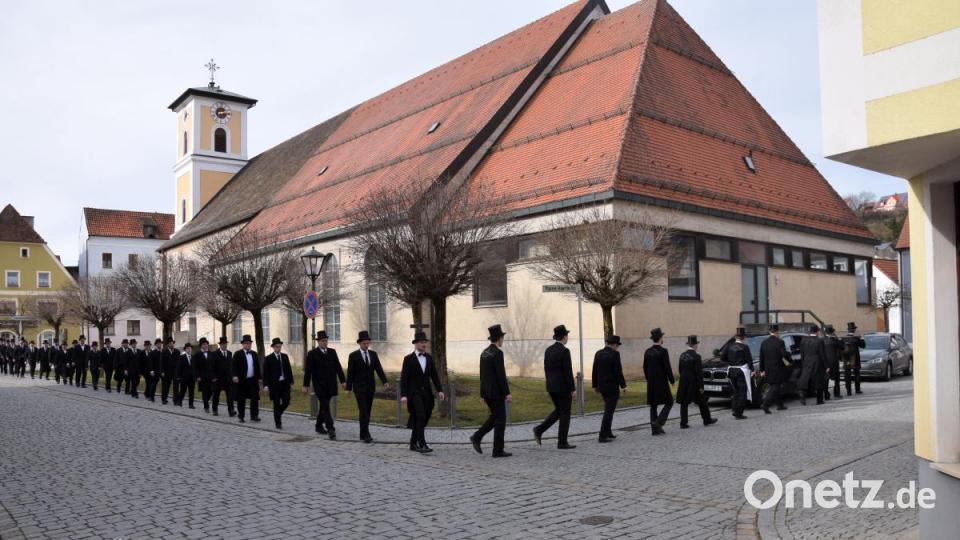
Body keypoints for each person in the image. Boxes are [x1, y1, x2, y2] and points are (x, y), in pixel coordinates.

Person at [400, 331, 445, 453]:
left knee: (423, 417)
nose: (424, 344)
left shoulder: (429, 358)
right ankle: (422, 444)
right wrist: (403, 395)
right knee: (420, 416)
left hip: (427, 394)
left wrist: (439, 390)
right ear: (415, 344)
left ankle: (413, 443)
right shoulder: (408, 359)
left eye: (425, 342)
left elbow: (434, 375)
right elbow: (404, 378)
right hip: (414, 393)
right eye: (421, 342)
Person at [533, 325, 576, 450]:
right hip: (563, 387)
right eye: (567, 336)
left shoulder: (548, 350)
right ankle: (562, 442)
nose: (567, 338)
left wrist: (549, 385)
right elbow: (567, 372)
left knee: (559, 411)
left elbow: (546, 369)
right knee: (565, 413)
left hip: (551, 386)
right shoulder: (565, 351)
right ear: (564, 337)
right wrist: (572, 389)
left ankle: (539, 430)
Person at [471, 324, 512, 458]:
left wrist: (482, 394)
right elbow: (501, 375)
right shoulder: (498, 353)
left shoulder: (484, 353)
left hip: (487, 392)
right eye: (502, 338)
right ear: (499, 338)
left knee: (495, 417)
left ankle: (477, 437)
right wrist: (507, 393)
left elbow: (482, 375)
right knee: (501, 420)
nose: (503, 340)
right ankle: (497, 450)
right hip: (496, 393)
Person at [346, 330, 389, 443]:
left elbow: (378, 369)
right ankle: (366, 434)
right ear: (359, 343)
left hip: (370, 387)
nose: (366, 345)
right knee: (363, 411)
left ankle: (362, 433)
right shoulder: (353, 356)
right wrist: (348, 388)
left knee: (367, 411)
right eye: (364, 343)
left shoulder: (373, 354)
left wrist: (384, 381)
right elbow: (350, 372)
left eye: (367, 343)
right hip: (359, 388)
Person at [302, 331, 345, 439]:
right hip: (319, 385)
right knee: (325, 405)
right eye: (322, 341)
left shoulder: (332, 352)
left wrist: (343, 381)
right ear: (318, 342)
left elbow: (338, 367)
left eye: (326, 341)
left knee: (323, 406)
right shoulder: (312, 354)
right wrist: (305, 385)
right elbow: (308, 371)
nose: (325, 342)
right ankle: (330, 428)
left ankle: (318, 425)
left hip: (331, 384)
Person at [676, 335, 717, 428]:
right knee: (702, 401)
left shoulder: (682, 355)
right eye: (696, 345)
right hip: (694, 382)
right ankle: (707, 420)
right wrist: (701, 386)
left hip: (683, 381)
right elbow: (699, 373)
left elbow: (680, 369)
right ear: (695, 345)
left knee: (684, 403)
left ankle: (683, 423)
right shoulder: (697, 356)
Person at [592, 334, 627, 442]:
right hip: (612, 387)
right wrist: (623, 385)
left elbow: (595, 370)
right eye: (617, 346)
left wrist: (595, 385)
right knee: (609, 411)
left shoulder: (598, 353)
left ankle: (608, 431)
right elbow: (618, 371)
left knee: (609, 409)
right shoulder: (615, 354)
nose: (617, 348)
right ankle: (602, 435)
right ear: (615, 345)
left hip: (602, 386)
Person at [643, 328, 674, 436]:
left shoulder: (647, 351)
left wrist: (648, 378)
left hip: (651, 381)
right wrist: (672, 380)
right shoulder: (663, 351)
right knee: (669, 402)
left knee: (653, 405)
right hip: (661, 381)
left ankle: (655, 430)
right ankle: (659, 422)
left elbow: (645, 367)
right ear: (660, 338)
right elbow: (667, 367)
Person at [759, 324, 793, 413]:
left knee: (774, 386)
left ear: (769, 332)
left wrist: (762, 370)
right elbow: (784, 354)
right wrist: (790, 360)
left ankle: (780, 405)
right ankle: (765, 404)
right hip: (777, 368)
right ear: (777, 332)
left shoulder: (764, 343)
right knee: (775, 387)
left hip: (767, 369)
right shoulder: (780, 342)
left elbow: (761, 357)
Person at [721, 327, 753, 419]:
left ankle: (735, 410)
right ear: (743, 337)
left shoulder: (729, 346)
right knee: (742, 392)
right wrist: (752, 370)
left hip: (731, 371)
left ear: (736, 337)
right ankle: (739, 413)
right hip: (741, 371)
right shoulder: (745, 347)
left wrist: (731, 362)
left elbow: (722, 358)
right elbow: (749, 360)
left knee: (735, 392)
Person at [264, 337, 294, 430]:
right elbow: (266, 373)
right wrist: (266, 385)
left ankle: (278, 413)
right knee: (276, 404)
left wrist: (291, 381)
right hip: (274, 385)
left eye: (280, 346)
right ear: (273, 347)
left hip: (284, 383)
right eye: (277, 347)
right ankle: (278, 423)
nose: (279, 348)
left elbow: (288, 370)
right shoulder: (268, 358)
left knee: (286, 401)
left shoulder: (284, 356)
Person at [232, 335, 261, 423]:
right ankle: (241, 416)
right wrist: (234, 375)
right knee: (241, 399)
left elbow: (257, 367)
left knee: (254, 398)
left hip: (252, 380)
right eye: (247, 343)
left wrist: (259, 378)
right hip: (242, 380)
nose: (248, 345)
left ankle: (254, 416)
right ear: (243, 344)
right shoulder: (238, 354)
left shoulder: (254, 354)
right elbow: (233, 366)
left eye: (250, 343)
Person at [797, 326, 828, 405]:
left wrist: (803, 362)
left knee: (806, 379)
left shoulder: (803, 340)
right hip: (817, 362)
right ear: (817, 332)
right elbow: (822, 354)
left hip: (806, 361)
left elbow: (802, 353)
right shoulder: (819, 341)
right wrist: (827, 366)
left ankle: (802, 394)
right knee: (818, 381)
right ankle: (819, 400)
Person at [211, 337, 234, 417]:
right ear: (220, 345)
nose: (224, 345)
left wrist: (232, 376)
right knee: (216, 395)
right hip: (218, 379)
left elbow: (231, 366)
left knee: (230, 396)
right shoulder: (215, 354)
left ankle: (231, 410)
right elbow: (211, 367)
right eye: (223, 344)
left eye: (225, 344)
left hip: (228, 378)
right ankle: (215, 410)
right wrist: (213, 377)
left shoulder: (230, 353)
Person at [842, 322, 865, 396]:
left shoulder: (844, 338)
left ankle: (848, 391)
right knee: (857, 374)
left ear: (848, 330)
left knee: (847, 375)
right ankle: (857, 390)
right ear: (854, 330)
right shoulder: (856, 339)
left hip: (846, 358)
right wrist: (862, 338)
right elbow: (863, 346)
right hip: (856, 358)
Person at [822, 325, 843, 400]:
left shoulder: (822, 340)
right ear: (832, 332)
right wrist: (839, 339)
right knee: (836, 379)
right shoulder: (834, 340)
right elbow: (842, 347)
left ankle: (826, 395)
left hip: (825, 362)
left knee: (826, 379)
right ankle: (836, 394)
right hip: (834, 362)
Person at [174, 342, 196, 408]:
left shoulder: (193, 357)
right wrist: (178, 376)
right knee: (183, 390)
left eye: (190, 348)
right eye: (188, 348)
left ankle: (191, 404)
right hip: (184, 377)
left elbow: (195, 368)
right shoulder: (182, 357)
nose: (189, 350)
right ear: (185, 350)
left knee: (191, 391)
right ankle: (180, 401)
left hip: (192, 378)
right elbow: (178, 367)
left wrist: (196, 376)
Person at [194, 338, 213, 412]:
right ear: (201, 346)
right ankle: (206, 407)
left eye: (206, 344)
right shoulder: (197, 355)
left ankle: (205, 401)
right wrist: (197, 376)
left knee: (211, 391)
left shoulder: (211, 353)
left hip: (210, 376)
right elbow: (195, 367)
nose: (206, 345)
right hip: (202, 377)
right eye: (204, 344)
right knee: (205, 391)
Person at [160, 338, 179, 405]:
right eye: (170, 343)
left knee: (176, 386)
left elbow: (179, 362)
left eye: (172, 343)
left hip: (175, 372)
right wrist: (162, 371)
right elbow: (161, 362)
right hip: (167, 372)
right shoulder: (164, 352)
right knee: (166, 386)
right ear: (168, 345)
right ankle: (164, 399)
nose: (172, 344)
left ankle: (175, 401)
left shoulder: (177, 351)